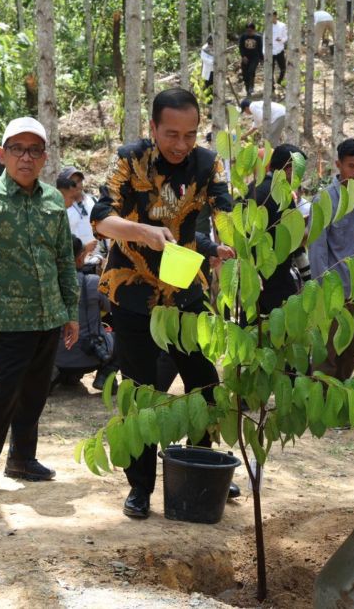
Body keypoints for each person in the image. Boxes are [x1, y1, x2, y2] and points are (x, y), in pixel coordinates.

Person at [91, 88, 236, 519]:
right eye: (171, 134)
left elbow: (225, 212)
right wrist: (144, 233)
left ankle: (200, 468)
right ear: (152, 128)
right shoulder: (130, 159)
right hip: (132, 291)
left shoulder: (208, 163)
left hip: (184, 290)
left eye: (190, 135)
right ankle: (140, 488)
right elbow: (101, 219)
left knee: (204, 383)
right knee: (140, 392)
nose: (180, 145)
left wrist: (225, 245)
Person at [0, 117, 79, 494]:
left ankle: (22, 459)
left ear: (44, 157)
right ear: (3, 153)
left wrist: (71, 312)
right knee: (2, 395)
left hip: (48, 314)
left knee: (35, 392)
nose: (25, 158)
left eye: (34, 150)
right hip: (7, 317)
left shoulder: (53, 201)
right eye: (17, 149)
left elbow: (63, 260)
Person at [307, 139, 354, 379]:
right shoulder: (324, 200)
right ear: (338, 165)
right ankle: (320, 411)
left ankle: (339, 410)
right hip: (331, 292)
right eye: (351, 166)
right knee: (326, 355)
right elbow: (317, 251)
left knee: (349, 352)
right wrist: (324, 294)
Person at [53, 238, 116, 392]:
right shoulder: (93, 282)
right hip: (91, 356)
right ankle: (105, 376)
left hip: (55, 358)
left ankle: (55, 376)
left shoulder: (50, 285)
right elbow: (111, 307)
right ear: (80, 258)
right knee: (121, 338)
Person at [255, 145, 305, 314]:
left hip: (252, 281)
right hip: (276, 283)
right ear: (289, 169)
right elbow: (292, 242)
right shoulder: (283, 196)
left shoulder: (252, 190)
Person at [238, 22, 264, 97]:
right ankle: (247, 89)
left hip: (255, 58)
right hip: (245, 57)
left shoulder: (258, 38)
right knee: (245, 74)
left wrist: (261, 59)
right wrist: (243, 56)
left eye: (250, 31)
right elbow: (241, 47)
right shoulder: (243, 37)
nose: (248, 32)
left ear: (254, 30)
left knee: (251, 71)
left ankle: (251, 86)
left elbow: (260, 48)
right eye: (247, 31)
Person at [269, 11, 288, 87]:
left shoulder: (282, 25)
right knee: (271, 69)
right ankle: (272, 85)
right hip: (270, 51)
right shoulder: (268, 26)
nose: (271, 18)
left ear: (276, 16)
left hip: (280, 50)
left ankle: (279, 82)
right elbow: (264, 38)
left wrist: (281, 40)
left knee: (283, 68)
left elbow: (286, 37)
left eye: (273, 16)